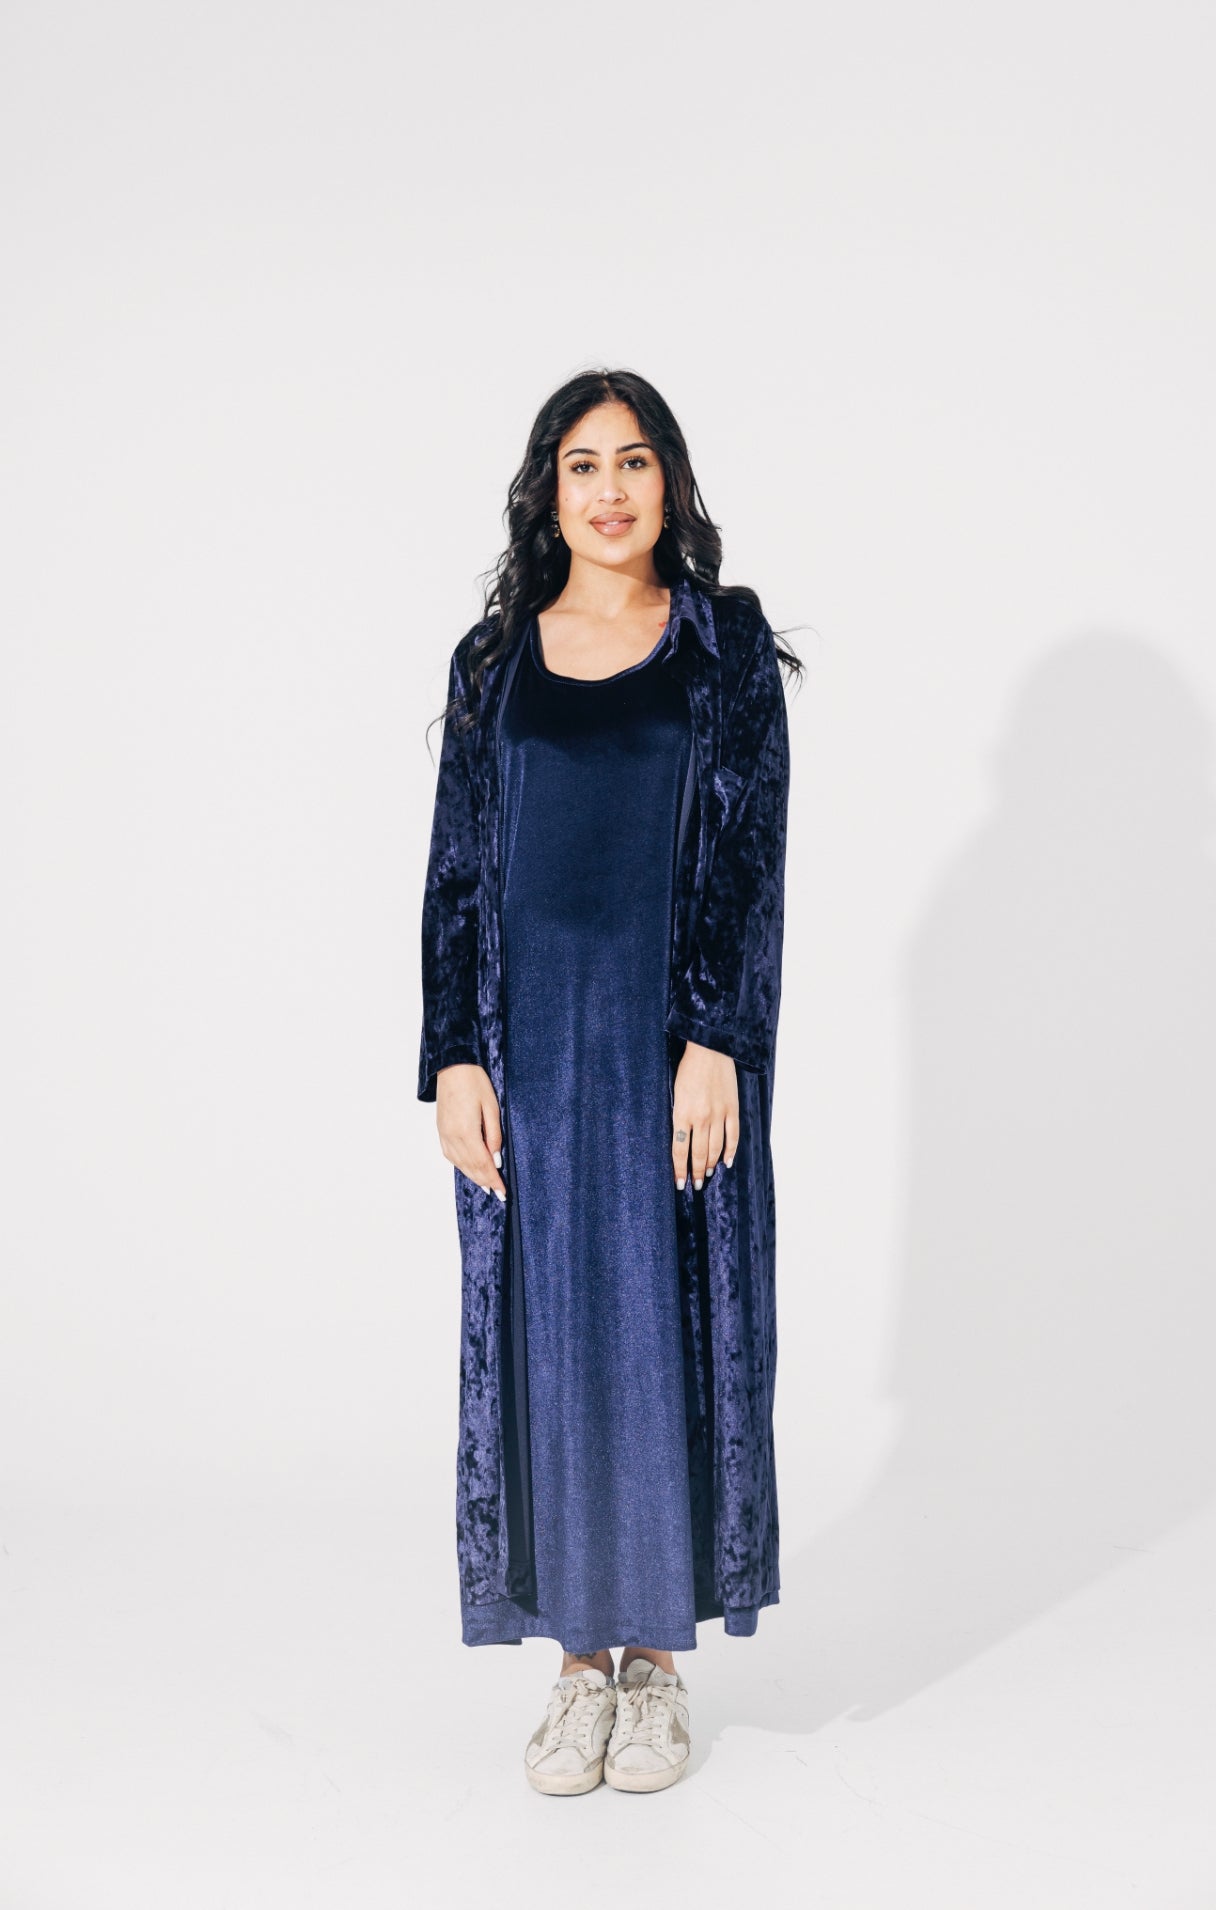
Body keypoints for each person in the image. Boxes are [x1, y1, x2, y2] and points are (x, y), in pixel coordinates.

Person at [417, 368, 800, 1795]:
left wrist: (719, 1037)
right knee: (551, 1334)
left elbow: (751, 853)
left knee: (668, 1327)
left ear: (670, 481)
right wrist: (454, 1053)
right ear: (549, 492)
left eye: (634, 461)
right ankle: (582, 1668)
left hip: (666, 1044)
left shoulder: (722, 644)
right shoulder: (492, 661)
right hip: (529, 1045)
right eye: (584, 465)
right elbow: (457, 868)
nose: (611, 489)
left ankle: (659, 1670)